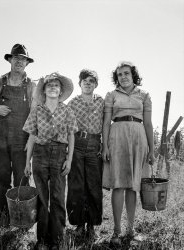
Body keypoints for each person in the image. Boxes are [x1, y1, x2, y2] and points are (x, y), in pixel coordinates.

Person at [23, 73, 78, 250]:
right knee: (42, 197)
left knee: (58, 197)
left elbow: (71, 135)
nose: (53, 88)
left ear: (61, 91)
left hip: (60, 154)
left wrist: (69, 160)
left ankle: (57, 239)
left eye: (56, 86)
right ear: (44, 90)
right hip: (40, 154)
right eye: (49, 86)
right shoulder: (37, 110)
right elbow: (31, 136)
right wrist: (27, 162)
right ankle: (42, 240)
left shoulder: (67, 110)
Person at [0, 43, 36, 227]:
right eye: (16, 58)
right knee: (0, 183)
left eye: (23, 59)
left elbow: (35, 114)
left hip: (22, 141)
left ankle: (22, 223)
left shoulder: (31, 86)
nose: (20, 62)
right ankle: (2, 222)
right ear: (10, 60)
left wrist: (31, 140)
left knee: (22, 181)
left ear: (27, 63)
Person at [102, 61, 155, 245]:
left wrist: (152, 149)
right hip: (116, 137)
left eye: (126, 73)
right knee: (118, 184)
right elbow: (106, 122)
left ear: (133, 75)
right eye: (119, 74)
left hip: (138, 138)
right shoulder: (111, 95)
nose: (123, 77)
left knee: (133, 185)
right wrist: (105, 146)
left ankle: (130, 230)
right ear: (116, 78)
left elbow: (148, 124)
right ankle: (116, 231)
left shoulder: (144, 95)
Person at [66, 69, 104, 239]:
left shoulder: (102, 102)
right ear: (80, 83)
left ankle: (92, 225)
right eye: (84, 81)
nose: (88, 83)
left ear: (96, 84)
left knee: (93, 185)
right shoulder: (73, 102)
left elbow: (106, 124)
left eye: (91, 81)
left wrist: (105, 144)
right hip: (77, 143)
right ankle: (79, 224)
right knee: (77, 184)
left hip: (95, 144)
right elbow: (67, 127)